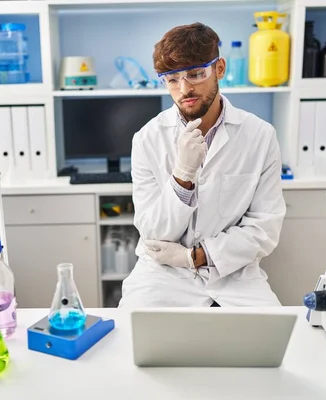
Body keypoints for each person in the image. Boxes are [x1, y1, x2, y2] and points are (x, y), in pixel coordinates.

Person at [118, 22, 286, 308]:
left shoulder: (259, 135)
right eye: (172, 79)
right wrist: (182, 177)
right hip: (163, 277)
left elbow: (265, 227)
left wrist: (197, 256)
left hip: (234, 276)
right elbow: (152, 233)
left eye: (196, 74)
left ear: (219, 68)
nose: (185, 88)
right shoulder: (147, 139)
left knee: (269, 345)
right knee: (136, 340)